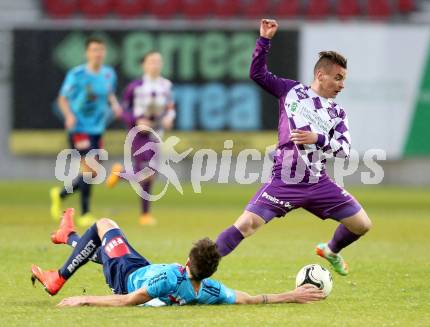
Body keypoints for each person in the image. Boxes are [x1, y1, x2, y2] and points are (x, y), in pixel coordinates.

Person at [215, 19, 372, 276]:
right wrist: (264, 40)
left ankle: (331, 250)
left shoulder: (338, 113)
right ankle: (192, 270)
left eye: (343, 79)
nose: (342, 84)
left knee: (362, 225)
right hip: (285, 180)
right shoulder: (291, 91)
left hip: (318, 182)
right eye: (338, 78)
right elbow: (257, 74)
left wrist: (317, 139)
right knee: (246, 225)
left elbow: (344, 150)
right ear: (320, 75)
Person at [31, 208, 324, 307]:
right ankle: (67, 236)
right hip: (140, 266)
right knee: (102, 248)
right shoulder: (209, 290)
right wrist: (291, 295)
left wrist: (85, 299)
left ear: (187, 259)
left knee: (103, 225)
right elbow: (249, 298)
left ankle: (57, 278)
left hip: (125, 275)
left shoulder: (170, 277)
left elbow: (128, 300)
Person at [50, 36, 122, 227]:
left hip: (97, 128)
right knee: (90, 169)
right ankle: (85, 213)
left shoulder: (108, 74)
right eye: (94, 50)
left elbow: (109, 93)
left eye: (101, 50)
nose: (98, 53)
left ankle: (61, 194)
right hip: (79, 127)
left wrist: (114, 105)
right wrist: (68, 116)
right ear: (87, 53)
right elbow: (62, 98)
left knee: (92, 172)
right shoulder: (77, 74)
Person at [106, 51, 175, 226]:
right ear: (144, 65)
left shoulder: (166, 85)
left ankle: (143, 212)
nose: (155, 65)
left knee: (148, 176)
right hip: (139, 135)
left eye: (158, 62)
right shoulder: (135, 87)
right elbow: (123, 110)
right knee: (148, 173)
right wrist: (136, 121)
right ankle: (143, 212)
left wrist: (169, 118)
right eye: (151, 61)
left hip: (157, 133)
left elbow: (170, 107)